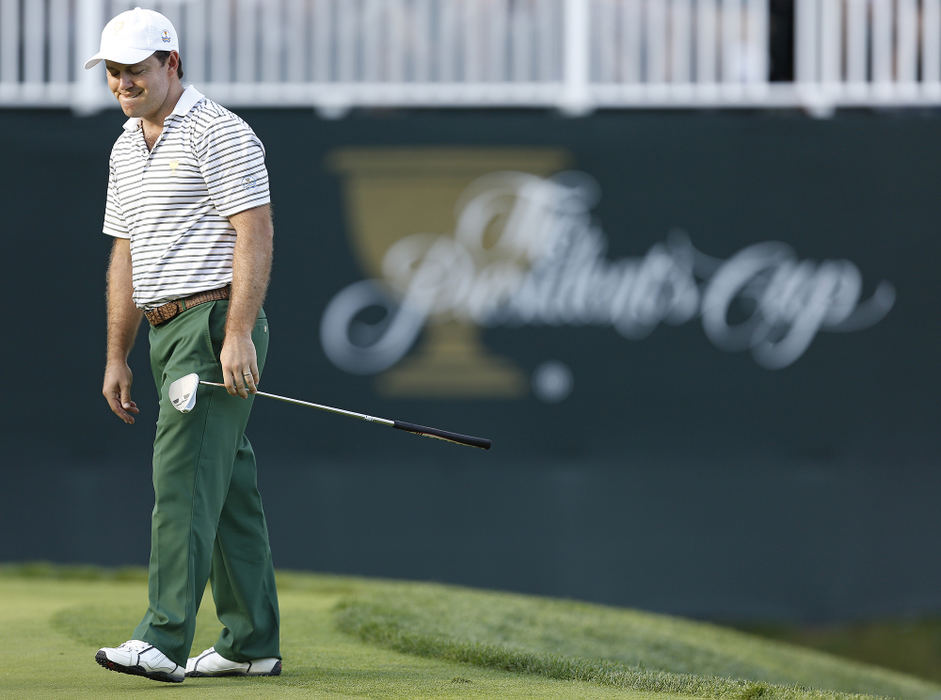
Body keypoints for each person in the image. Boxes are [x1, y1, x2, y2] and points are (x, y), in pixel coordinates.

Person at [86, 7, 281, 683]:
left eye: (135, 70)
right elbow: (126, 255)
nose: (122, 84)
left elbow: (254, 234)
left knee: (180, 483)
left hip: (211, 324)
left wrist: (235, 336)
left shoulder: (218, 132)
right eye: (113, 72)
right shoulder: (124, 144)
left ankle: (164, 639)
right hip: (165, 331)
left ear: (171, 63)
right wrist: (118, 354)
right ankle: (251, 642)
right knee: (224, 492)